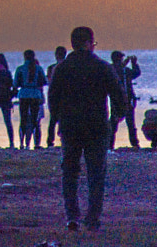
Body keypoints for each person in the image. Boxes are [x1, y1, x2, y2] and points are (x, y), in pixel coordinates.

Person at [48, 26, 125, 232]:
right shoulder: (102, 67)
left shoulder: (62, 68)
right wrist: (117, 116)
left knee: (70, 172)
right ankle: (92, 218)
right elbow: (118, 95)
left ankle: (72, 215)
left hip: (70, 126)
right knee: (96, 174)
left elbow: (52, 99)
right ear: (89, 43)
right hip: (96, 127)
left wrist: (56, 120)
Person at [108, 51, 141, 150]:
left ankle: (134, 144)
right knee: (115, 123)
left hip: (126, 100)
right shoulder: (114, 70)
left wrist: (134, 64)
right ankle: (110, 145)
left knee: (130, 123)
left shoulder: (124, 70)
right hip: (117, 101)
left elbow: (136, 73)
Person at [15, 51, 46, 150]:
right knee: (35, 120)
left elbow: (16, 83)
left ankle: (22, 143)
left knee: (23, 119)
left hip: (24, 94)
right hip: (35, 94)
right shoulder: (39, 69)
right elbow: (44, 81)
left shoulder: (20, 69)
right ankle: (36, 143)